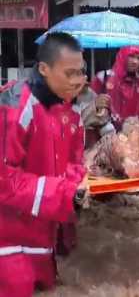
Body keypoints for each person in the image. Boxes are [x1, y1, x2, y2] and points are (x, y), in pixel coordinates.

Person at [0, 32, 87, 297]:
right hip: (8, 234)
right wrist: (63, 193)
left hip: (42, 228)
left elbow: (75, 160)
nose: (77, 81)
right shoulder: (14, 108)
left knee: (44, 283)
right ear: (44, 69)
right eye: (69, 73)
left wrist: (76, 189)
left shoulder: (68, 110)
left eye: (81, 72)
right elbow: (4, 180)